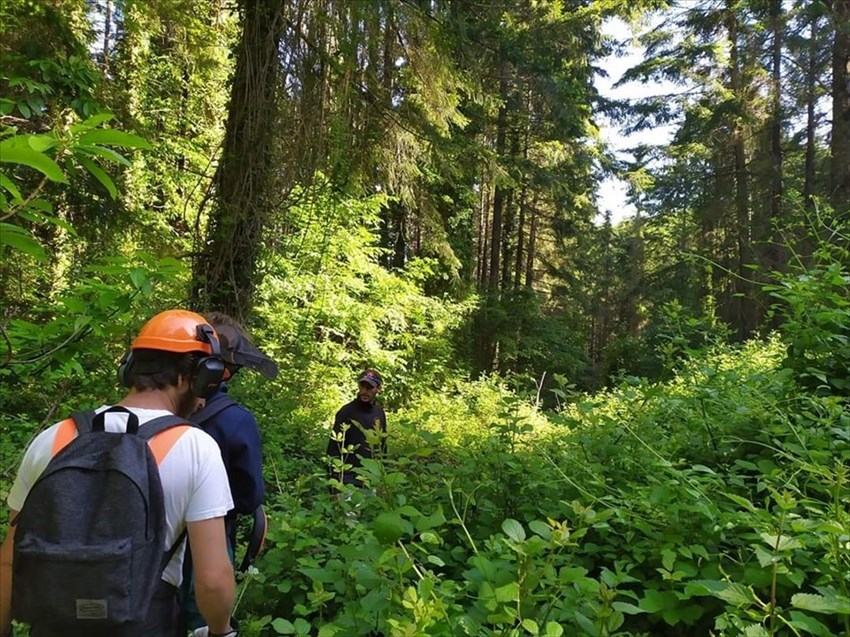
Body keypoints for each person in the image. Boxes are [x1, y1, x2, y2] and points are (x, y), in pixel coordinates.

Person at [0, 309, 237, 637]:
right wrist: (220, 631)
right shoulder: (196, 448)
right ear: (193, 376)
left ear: (130, 368)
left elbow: (10, 562)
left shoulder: (53, 438)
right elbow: (212, 580)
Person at [180, 311, 278, 632]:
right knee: (203, 620)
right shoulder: (236, 421)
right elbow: (249, 498)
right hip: (210, 538)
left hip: (145, 545)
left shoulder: (147, 414)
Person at [326, 369, 387, 488]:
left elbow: (382, 447)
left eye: (369, 387)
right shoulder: (347, 411)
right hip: (347, 479)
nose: (365, 391)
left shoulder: (379, 413)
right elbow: (334, 448)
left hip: (371, 479)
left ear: (378, 389)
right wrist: (334, 481)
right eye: (362, 386)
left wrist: (383, 478)